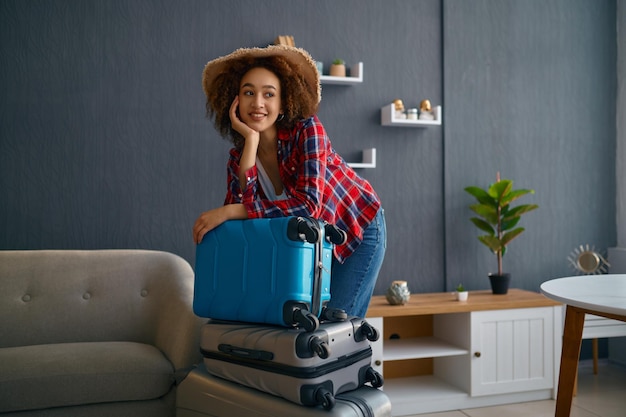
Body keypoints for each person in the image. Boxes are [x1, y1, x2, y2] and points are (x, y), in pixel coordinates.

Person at [193, 45, 386, 318]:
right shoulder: (239, 157)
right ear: (234, 100)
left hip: (357, 227)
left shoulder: (308, 129)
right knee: (308, 325)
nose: (257, 103)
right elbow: (247, 229)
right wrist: (250, 141)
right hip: (314, 240)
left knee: (337, 329)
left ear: (284, 102)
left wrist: (230, 211)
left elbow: (308, 208)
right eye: (248, 93)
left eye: (268, 94)